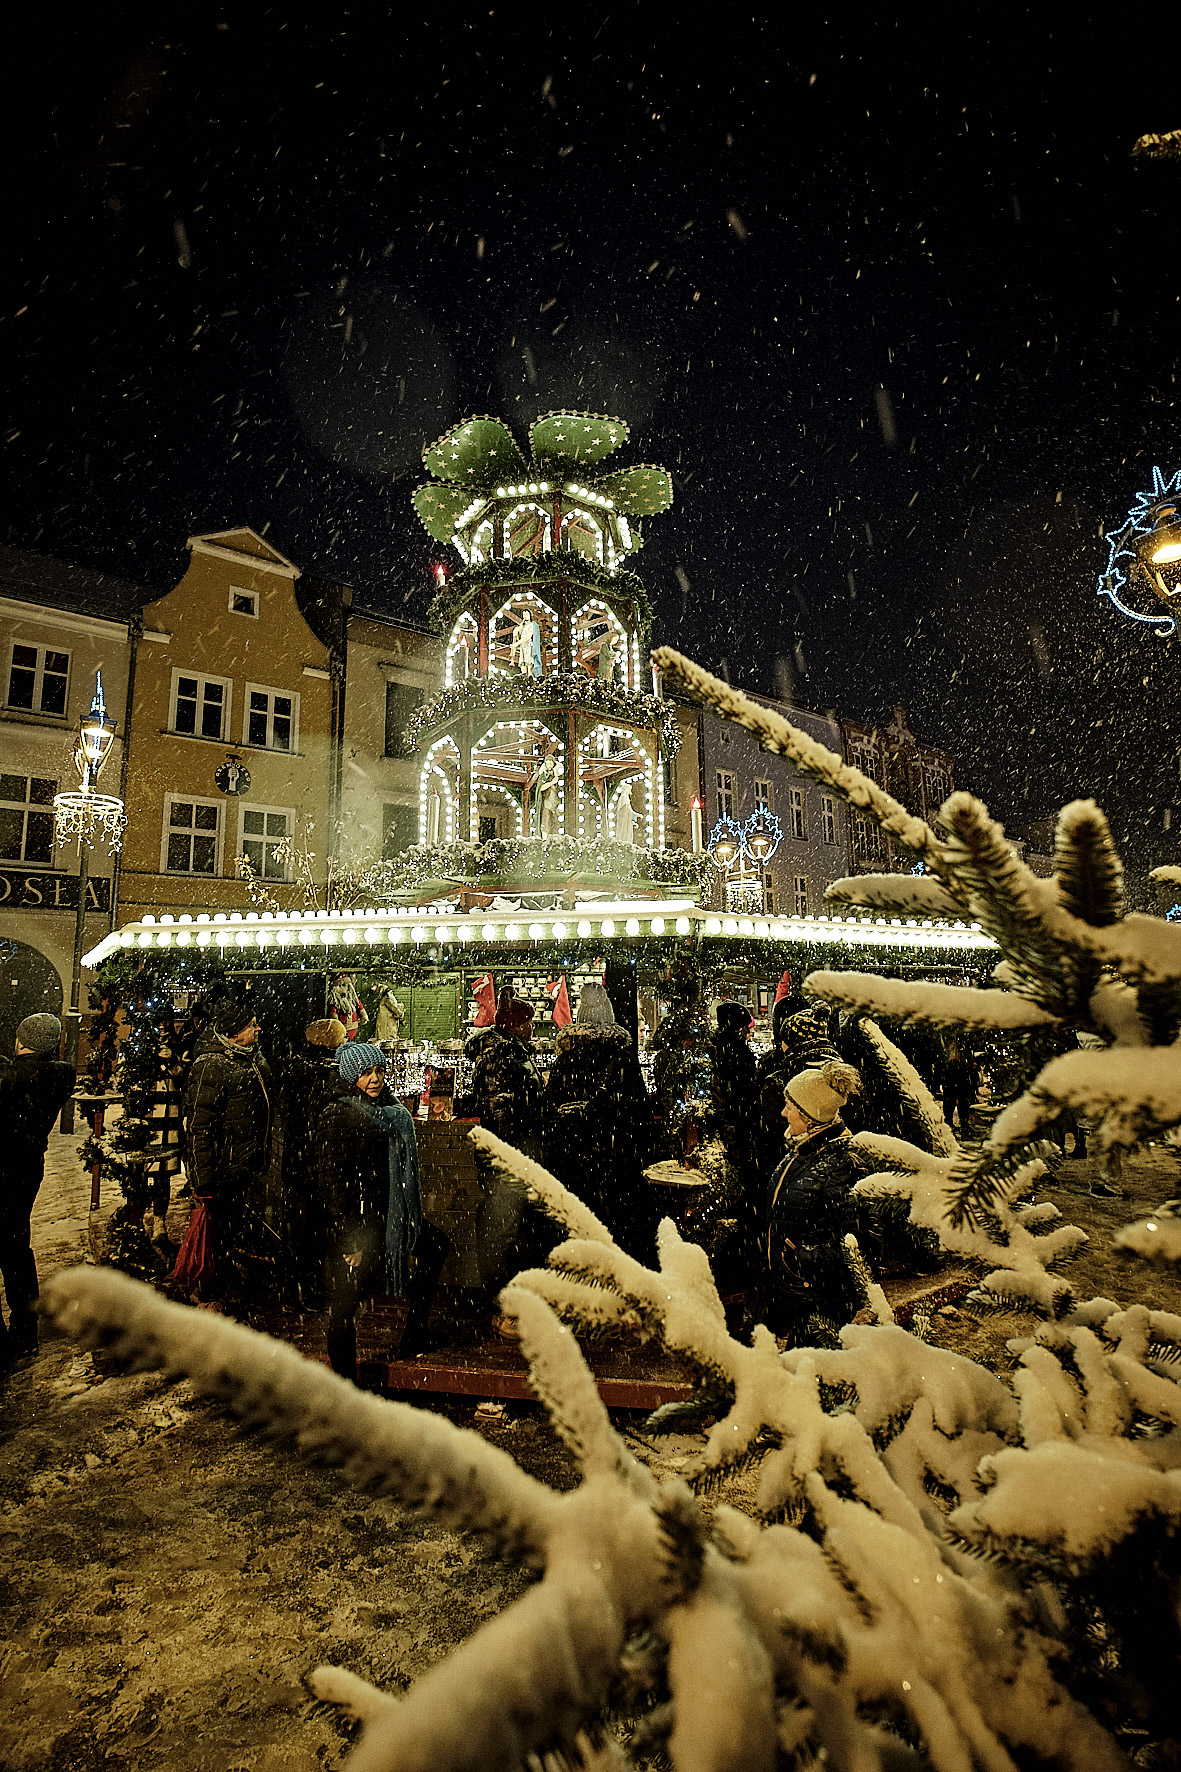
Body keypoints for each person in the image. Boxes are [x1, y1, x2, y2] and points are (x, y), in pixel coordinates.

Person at [316, 1042, 450, 1375]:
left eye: (378, 1071)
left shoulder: (391, 1110)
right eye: (365, 1073)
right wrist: (348, 1237)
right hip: (360, 1221)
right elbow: (331, 1180)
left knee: (435, 1245)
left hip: (391, 1214)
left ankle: (415, 1334)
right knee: (347, 1303)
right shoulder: (339, 1112)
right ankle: (345, 1381)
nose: (374, 1079)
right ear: (350, 1075)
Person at [765, 1060, 876, 1343]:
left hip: (818, 1303)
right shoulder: (802, 1150)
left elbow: (862, 1243)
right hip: (794, 1293)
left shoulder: (842, 1165)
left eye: (790, 1107)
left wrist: (800, 1257)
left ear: (810, 1116)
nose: (783, 1113)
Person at [173, 999, 272, 1303]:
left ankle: (223, 1278)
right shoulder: (211, 1066)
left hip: (241, 1163)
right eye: (251, 1025)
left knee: (229, 1229)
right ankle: (210, 1290)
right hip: (221, 1168)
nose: (258, 1029)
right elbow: (199, 1128)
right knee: (215, 1232)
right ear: (233, 1032)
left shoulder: (250, 1058)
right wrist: (201, 1180)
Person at [541, 981, 651, 1253]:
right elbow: (638, 1109)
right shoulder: (622, 1057)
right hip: (614, 1156)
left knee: (576, 1223)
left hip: (573, 1155)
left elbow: (549, 1106)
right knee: (613, 1226)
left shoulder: (566, 1059)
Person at [0, 1014, 74, 1366]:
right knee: (16, 1249)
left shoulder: (14, 1079)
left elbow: (14, 1075)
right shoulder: (59, 1074)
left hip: (3, 1169)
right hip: (26, 1169)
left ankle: (8, 1341)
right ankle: (25, 1329)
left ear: (20, 1041)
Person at [278, 1018, 350, 1309]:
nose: (346, 1043)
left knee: (301, 1230)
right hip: (312, 1163)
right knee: (308, 1232)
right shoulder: (325, 1075)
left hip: (300, 1162)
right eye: (342, 1039)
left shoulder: (298, 1068)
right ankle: (300, 1292)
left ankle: (298, 1290)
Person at [942, 1038, 978, 1139]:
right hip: (954, 1069)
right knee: (953, 1099)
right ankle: (954, 1125)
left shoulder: (961, 1042)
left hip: (959, 1069)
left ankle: (962, 1125)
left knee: (960, 1099)